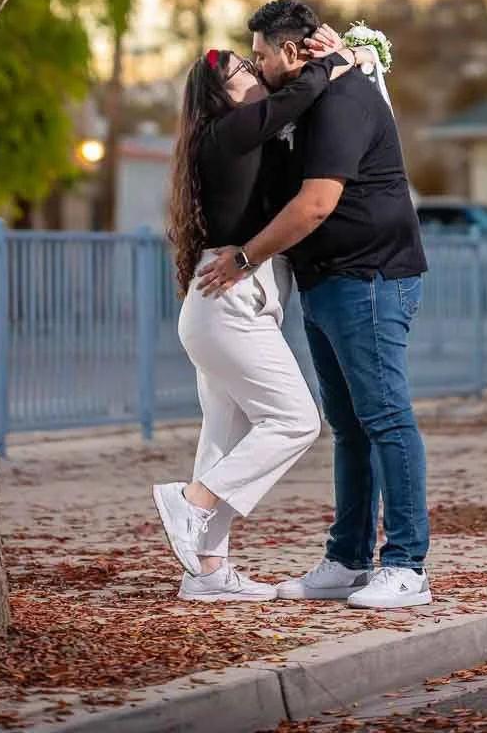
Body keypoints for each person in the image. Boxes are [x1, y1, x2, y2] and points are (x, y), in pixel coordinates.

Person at [198, 0, 432, 610]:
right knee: (349, 427)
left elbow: (316, 205)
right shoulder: (309, 95)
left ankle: (408, 566)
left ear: (292, 50)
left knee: (384, 418)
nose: (256, 64)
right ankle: (348, 561)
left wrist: (245, 258)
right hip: (329, 281)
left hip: (371, 277)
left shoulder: (340, 99)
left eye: (261, 54)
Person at [152, 39, 355, 602]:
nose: (254, 69)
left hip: (220, 308)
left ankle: (208, 572)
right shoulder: (229, 131)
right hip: (228, 307)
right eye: (244, 68)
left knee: (224, 435)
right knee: (295, 421)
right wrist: (336, 61)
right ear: (221, 94)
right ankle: (193, 501)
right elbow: (303, 93)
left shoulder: (239, 137)